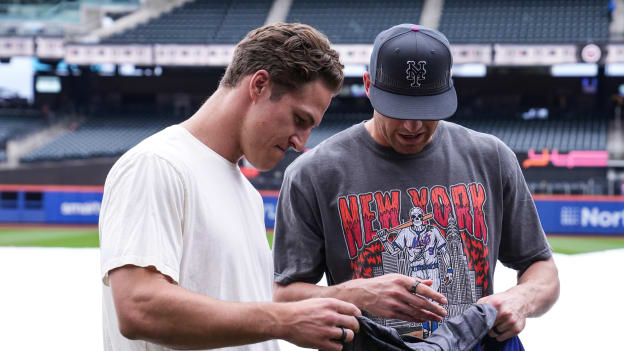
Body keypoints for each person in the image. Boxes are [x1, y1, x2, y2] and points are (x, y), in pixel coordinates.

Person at [272, 23, 560, 347]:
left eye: (427, 110)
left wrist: (520, 299)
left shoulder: (491, 158)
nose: (413, 125)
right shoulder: (314, 173)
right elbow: (284, 298)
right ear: (368, 86)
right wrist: (357, 293)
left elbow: (542, 269)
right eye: (398, 110)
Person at [99, 22, 361, 351]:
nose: (301, 142)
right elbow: (138, 307)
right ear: (260, 85)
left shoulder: (248, 195)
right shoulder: (157, 165)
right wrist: (284, 320)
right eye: (299, 119)